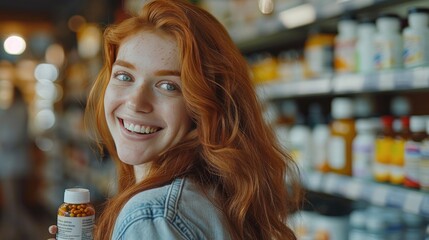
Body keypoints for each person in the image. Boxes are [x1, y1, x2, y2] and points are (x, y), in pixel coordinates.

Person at [50, 0, 303, 239]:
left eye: (168, 86)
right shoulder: (208, 191)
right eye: (125, 76)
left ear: (206, 105)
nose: (135, 103)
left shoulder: (154, 217)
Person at [0, 82, 40, 239]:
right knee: (15, 205)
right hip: (16, 164)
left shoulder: (18, 111)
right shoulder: (20, 110)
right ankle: (16, 233)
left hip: (13, 166)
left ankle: (33, 233)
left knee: (15, 205)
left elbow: (11, 137)